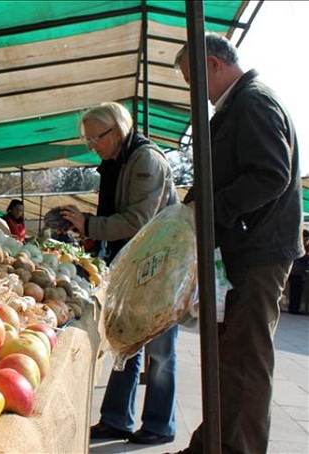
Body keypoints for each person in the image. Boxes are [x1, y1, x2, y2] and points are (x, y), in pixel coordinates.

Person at [174, 33, 303, 453]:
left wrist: (208, 211)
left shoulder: (253, 102)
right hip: (246, 250)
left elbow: (270, 174)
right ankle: (212, 445)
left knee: (245, 361)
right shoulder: (241, 104)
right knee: (229, 357)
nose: (196, 95)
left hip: (258, 252)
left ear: (214, 64)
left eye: (195, 82)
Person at [60, 101, 179, 445]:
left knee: (160, 349)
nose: (92, 146)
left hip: (159, 265)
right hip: (133, 265)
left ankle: (159, 425)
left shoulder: (146, 161)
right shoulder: (115, 162)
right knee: (126, 344)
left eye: (96, 137)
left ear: (117, 130)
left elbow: (139, 221)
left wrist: (91, 224)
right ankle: (116, 419)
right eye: (88, 139)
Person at [288, 230, 309, 314]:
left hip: (294, 272)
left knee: (295, 291)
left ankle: (293, 308)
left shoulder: (296, 244)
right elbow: (303, 257)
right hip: (296, 272)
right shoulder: (300, 246)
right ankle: (294, 309)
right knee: (296, 292)